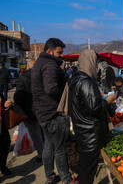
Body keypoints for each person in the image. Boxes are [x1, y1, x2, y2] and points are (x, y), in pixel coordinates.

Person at [31, 38, 77, 184]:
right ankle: (66, 179)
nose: (61, 55)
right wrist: (64, 100)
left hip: (43, 113)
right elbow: (51, 89)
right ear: (49, 51)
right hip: (53, 113)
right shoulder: (50, 64)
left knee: (49, 146)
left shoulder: (39, 62)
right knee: (61, 148)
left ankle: (50, 176)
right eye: (59, 52)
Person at [68, 50, 116, 184]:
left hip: (82, 131)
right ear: (90, 62)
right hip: (91, 135)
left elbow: (86, 105)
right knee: (87, 171)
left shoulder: (75, 79)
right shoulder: (86, 82)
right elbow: (95, 109)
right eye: (95, 63)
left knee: (85, 167)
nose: (97, 67)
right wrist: (108, 100)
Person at [14, 60, 44, 162]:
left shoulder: (23, 77)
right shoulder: (41, 76)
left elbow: (19, 96)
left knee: (36, 134)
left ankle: (42, 155)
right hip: (42, 108)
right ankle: (46, 152)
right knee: (42, 132)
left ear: (28, 67)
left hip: (30, 110)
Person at [0, 96, 13, 176]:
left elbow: (2, 99)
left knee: (6, 144)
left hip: (2, 126)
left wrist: (6, 102)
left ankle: (2, 166)